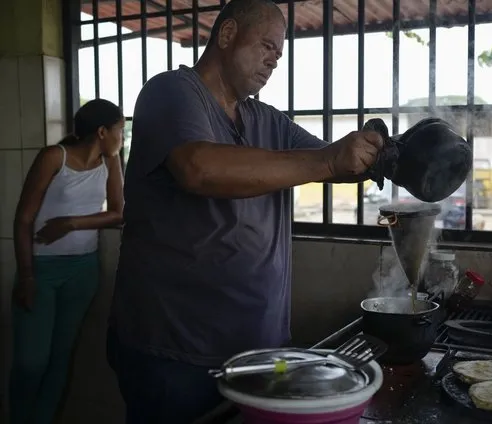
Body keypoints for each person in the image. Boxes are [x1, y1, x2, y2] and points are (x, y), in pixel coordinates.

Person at [106, 0, 383, 422]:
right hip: (177, 353)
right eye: (267, 46)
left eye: (280, 54)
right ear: (228, 34)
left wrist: (395, 156)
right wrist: (326, 161)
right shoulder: (171, 93)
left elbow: (337, 162)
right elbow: (199, 168)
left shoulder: (268, 120)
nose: (274, 60)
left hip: (257, 351)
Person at [9, 99, 125, 424]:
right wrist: (28, 276)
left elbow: (119, 212)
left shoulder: (110, 161)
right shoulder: (53, 157)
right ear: (102, 132)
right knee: (31, 363)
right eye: (119, 131)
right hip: (41, 272)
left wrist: (72, 223)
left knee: (60, 360)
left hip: (82, 271)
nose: (122, 138)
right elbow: (23, 219)